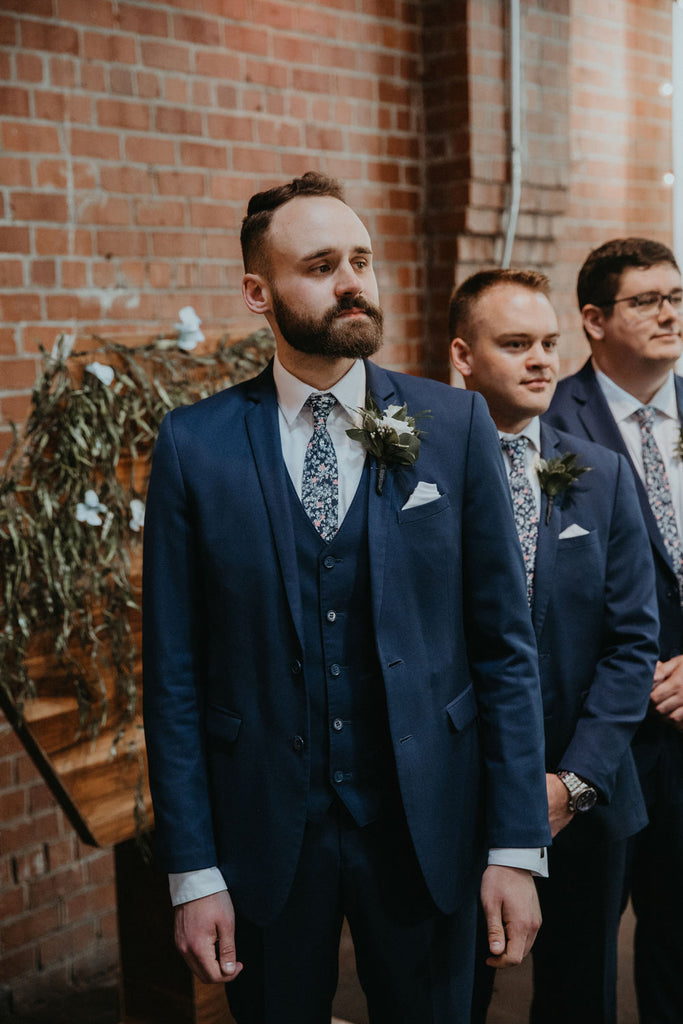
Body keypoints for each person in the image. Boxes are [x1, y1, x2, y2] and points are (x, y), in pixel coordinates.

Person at [142, 171, 551, 1024]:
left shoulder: (456, 424)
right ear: (259, 292)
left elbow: (504, 651)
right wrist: (193, 871)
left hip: (426, 825)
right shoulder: (195, 446)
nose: (353, 283)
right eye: (321, 265)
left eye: (361, 260)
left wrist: (516, 845)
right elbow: (174, 677)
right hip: (264, 837)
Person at [449, 268, 659, 1024]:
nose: (540, 359)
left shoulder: (601, 475)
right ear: (462, 356)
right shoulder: (418, 474)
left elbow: (632, 643)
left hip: (585, 791)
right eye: (514, 344)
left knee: (579, 992)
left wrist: (573, 783)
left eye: (547, 342)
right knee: (451, 991)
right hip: (457, 794)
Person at [545, 237, 683, 1023]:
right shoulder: (548, 423)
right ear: (593, 320)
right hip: (595, 733)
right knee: (578, 958)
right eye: (645, 300)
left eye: (675, 296)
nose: (668, 313)